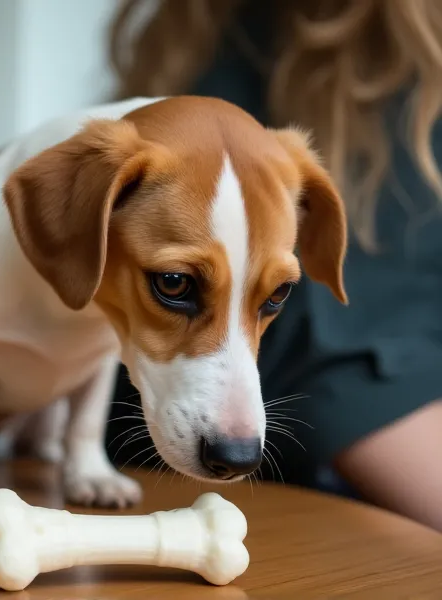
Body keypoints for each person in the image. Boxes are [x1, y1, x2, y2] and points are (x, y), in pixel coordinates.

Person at [106, 0, 442, 531]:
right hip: (261, 499)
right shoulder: (255, 51)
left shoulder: (199, 46)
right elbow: (349, 368)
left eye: (273, 298)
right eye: (175, 282)